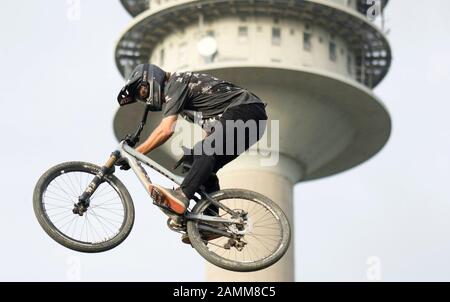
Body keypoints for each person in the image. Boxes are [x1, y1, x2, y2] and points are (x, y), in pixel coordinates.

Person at [117, 63, 267, 242]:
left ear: (151, 79)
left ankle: (182, 195)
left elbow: (166, 130)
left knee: (205, 151)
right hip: (247, 120)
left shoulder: (176, 84)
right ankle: (212, 222)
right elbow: (212, 124)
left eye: (142, 92)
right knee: (197, 164)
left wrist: (137, 153)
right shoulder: (180, 96)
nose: (146, 99)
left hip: (246, 110)